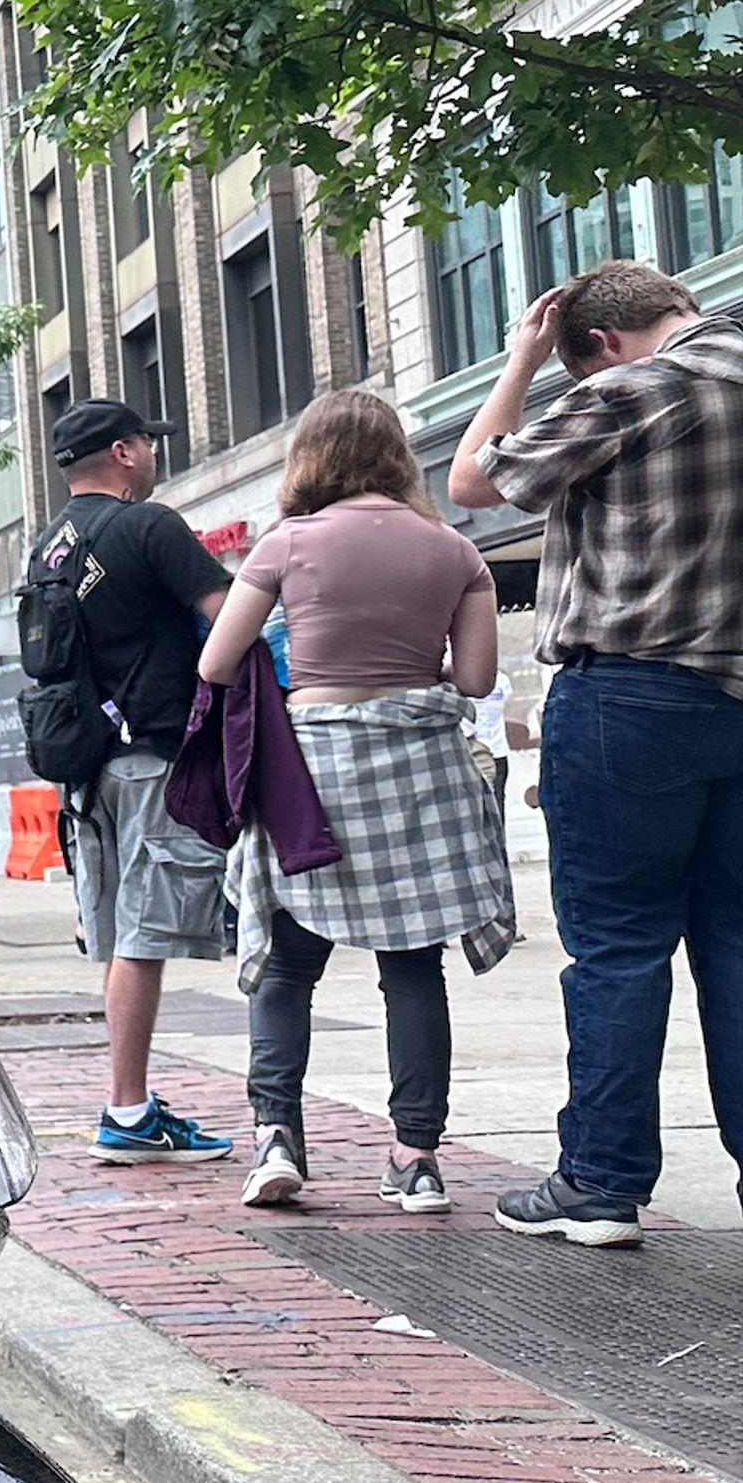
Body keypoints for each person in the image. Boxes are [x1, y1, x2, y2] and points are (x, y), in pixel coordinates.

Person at [453, 259, 743, 1246]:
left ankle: (600, 1183)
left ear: (604, 343)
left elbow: (475, 479)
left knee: (619, 946)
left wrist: (524, 360)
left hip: (627, 695)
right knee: (738, 948)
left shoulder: (635, 386)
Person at [195, 390, 509, 1213]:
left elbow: (218, 664)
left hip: (314, 776)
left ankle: (275, 1140)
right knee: (412, 968)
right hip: (419, 771)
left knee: (288, 965)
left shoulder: (285, 544)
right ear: (398, 457)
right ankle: (416, 1160)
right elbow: (475, 681)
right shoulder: (453, 551)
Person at [32, 397, 240, 1159]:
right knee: (144, 938)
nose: (154, 455)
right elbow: (228, 619)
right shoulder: (151, 527)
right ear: (123, 454)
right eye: (147, 443)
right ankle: (125, 1112)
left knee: (123, 934)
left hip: (86, 770)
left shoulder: (47, 544)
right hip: (153, 757)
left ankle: (131, 1104)